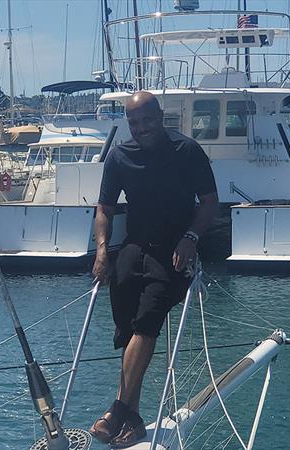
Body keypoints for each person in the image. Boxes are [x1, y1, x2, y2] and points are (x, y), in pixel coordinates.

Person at [90, 91, 219, 447]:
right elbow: (104, 208)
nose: (141, 128)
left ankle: (117, 411)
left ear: (160, 117)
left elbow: (210, 204)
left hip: (175, 250)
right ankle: (132, 418)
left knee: (146, 323)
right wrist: (102, 252)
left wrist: (191, 237)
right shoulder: (119, 156)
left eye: (147, 120)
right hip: (135, 248)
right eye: (133, 122)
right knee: (128, 328)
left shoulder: (187, 151)